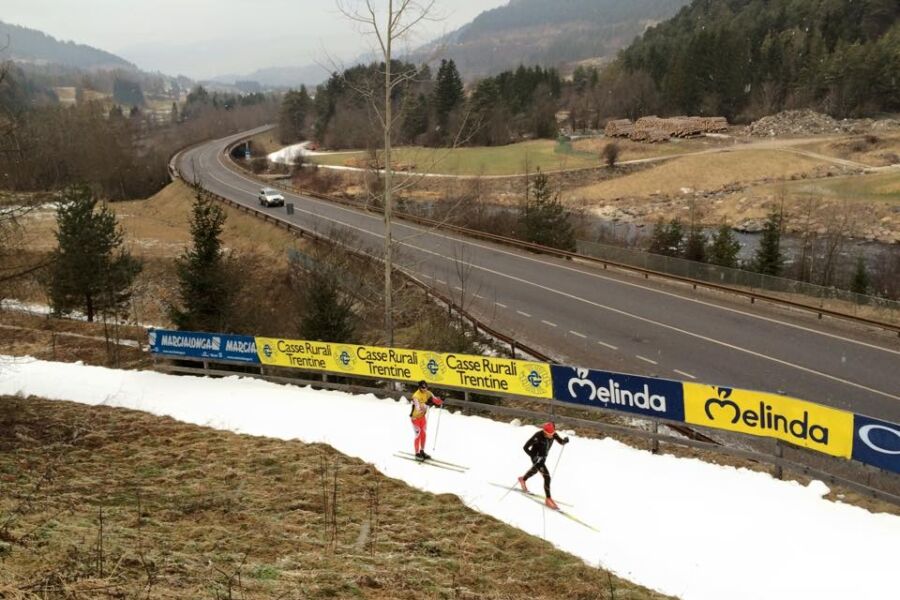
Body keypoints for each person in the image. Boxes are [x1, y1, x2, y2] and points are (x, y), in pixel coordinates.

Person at [518, 422, 569, 509]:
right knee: (547, 477)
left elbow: (560, 441)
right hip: (536, 458)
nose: (551, 436)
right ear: (544, 432)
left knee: (534, 470)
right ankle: (548, 499)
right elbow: (525, 447)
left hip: (543, 458)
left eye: (552, 433)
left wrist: (564, 441)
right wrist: (534, 456)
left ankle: (523, 479)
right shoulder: (538, 436)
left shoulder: (553, 434)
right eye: (548, 434)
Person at [410, 380, 443, 460]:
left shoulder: (428, 393)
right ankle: (417, 453)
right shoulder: (416, 396)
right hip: (415, 418)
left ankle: (422, 451)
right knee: (418, 435)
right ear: (419, 388)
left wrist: (440, 400)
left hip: (422, 417)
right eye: (423, 388)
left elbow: (435, 400)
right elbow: (418, 409)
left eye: (426, 387)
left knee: (424, 434)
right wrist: (426, 404)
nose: (425, 389)